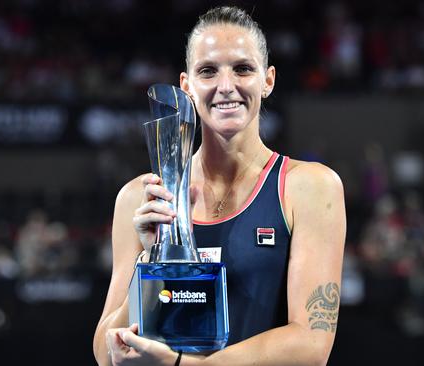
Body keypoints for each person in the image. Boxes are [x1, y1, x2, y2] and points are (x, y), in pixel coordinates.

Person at [93, 6, 346, 366]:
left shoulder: (308, 188)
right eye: (208, 71)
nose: (226, 86)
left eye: (242, 68)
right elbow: (106, 355)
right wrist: (151, 261)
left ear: (268, 80)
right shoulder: (143, 197)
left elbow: (311, 344)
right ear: (187, 86)